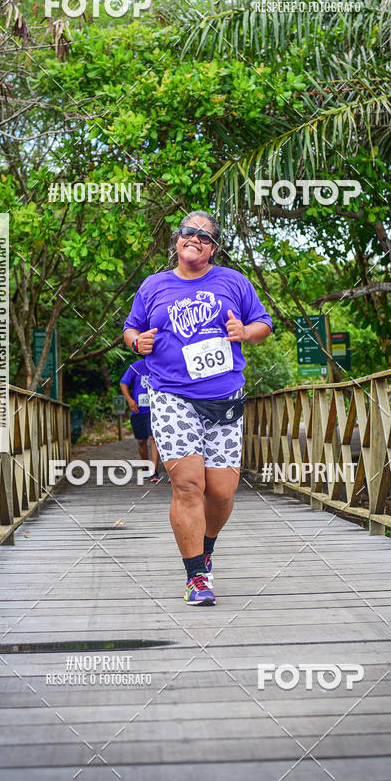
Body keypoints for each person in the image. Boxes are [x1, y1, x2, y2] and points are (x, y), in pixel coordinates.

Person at [123, 211, 272, 605]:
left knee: (221, 491)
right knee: (188, 485)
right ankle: (196, 577)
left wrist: (246, 332)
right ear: (177, 240)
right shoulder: (154, 285)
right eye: (190, 233)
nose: (196, 240)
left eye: (205, 237)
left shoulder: (233, 282)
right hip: (171, 395)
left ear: (214, 247)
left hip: (224, 398)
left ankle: (206, 546)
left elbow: (264, 323)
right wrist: (136, 342)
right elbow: (130, 328)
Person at [119, 359, 160, 482]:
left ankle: (154, 471)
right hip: (138, 409)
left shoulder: (159, 364)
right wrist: (130, 400)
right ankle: (145, 466)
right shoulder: (137, 366)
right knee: (141, 440)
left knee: (153, 437)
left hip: (155, 409)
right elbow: (123, 383)